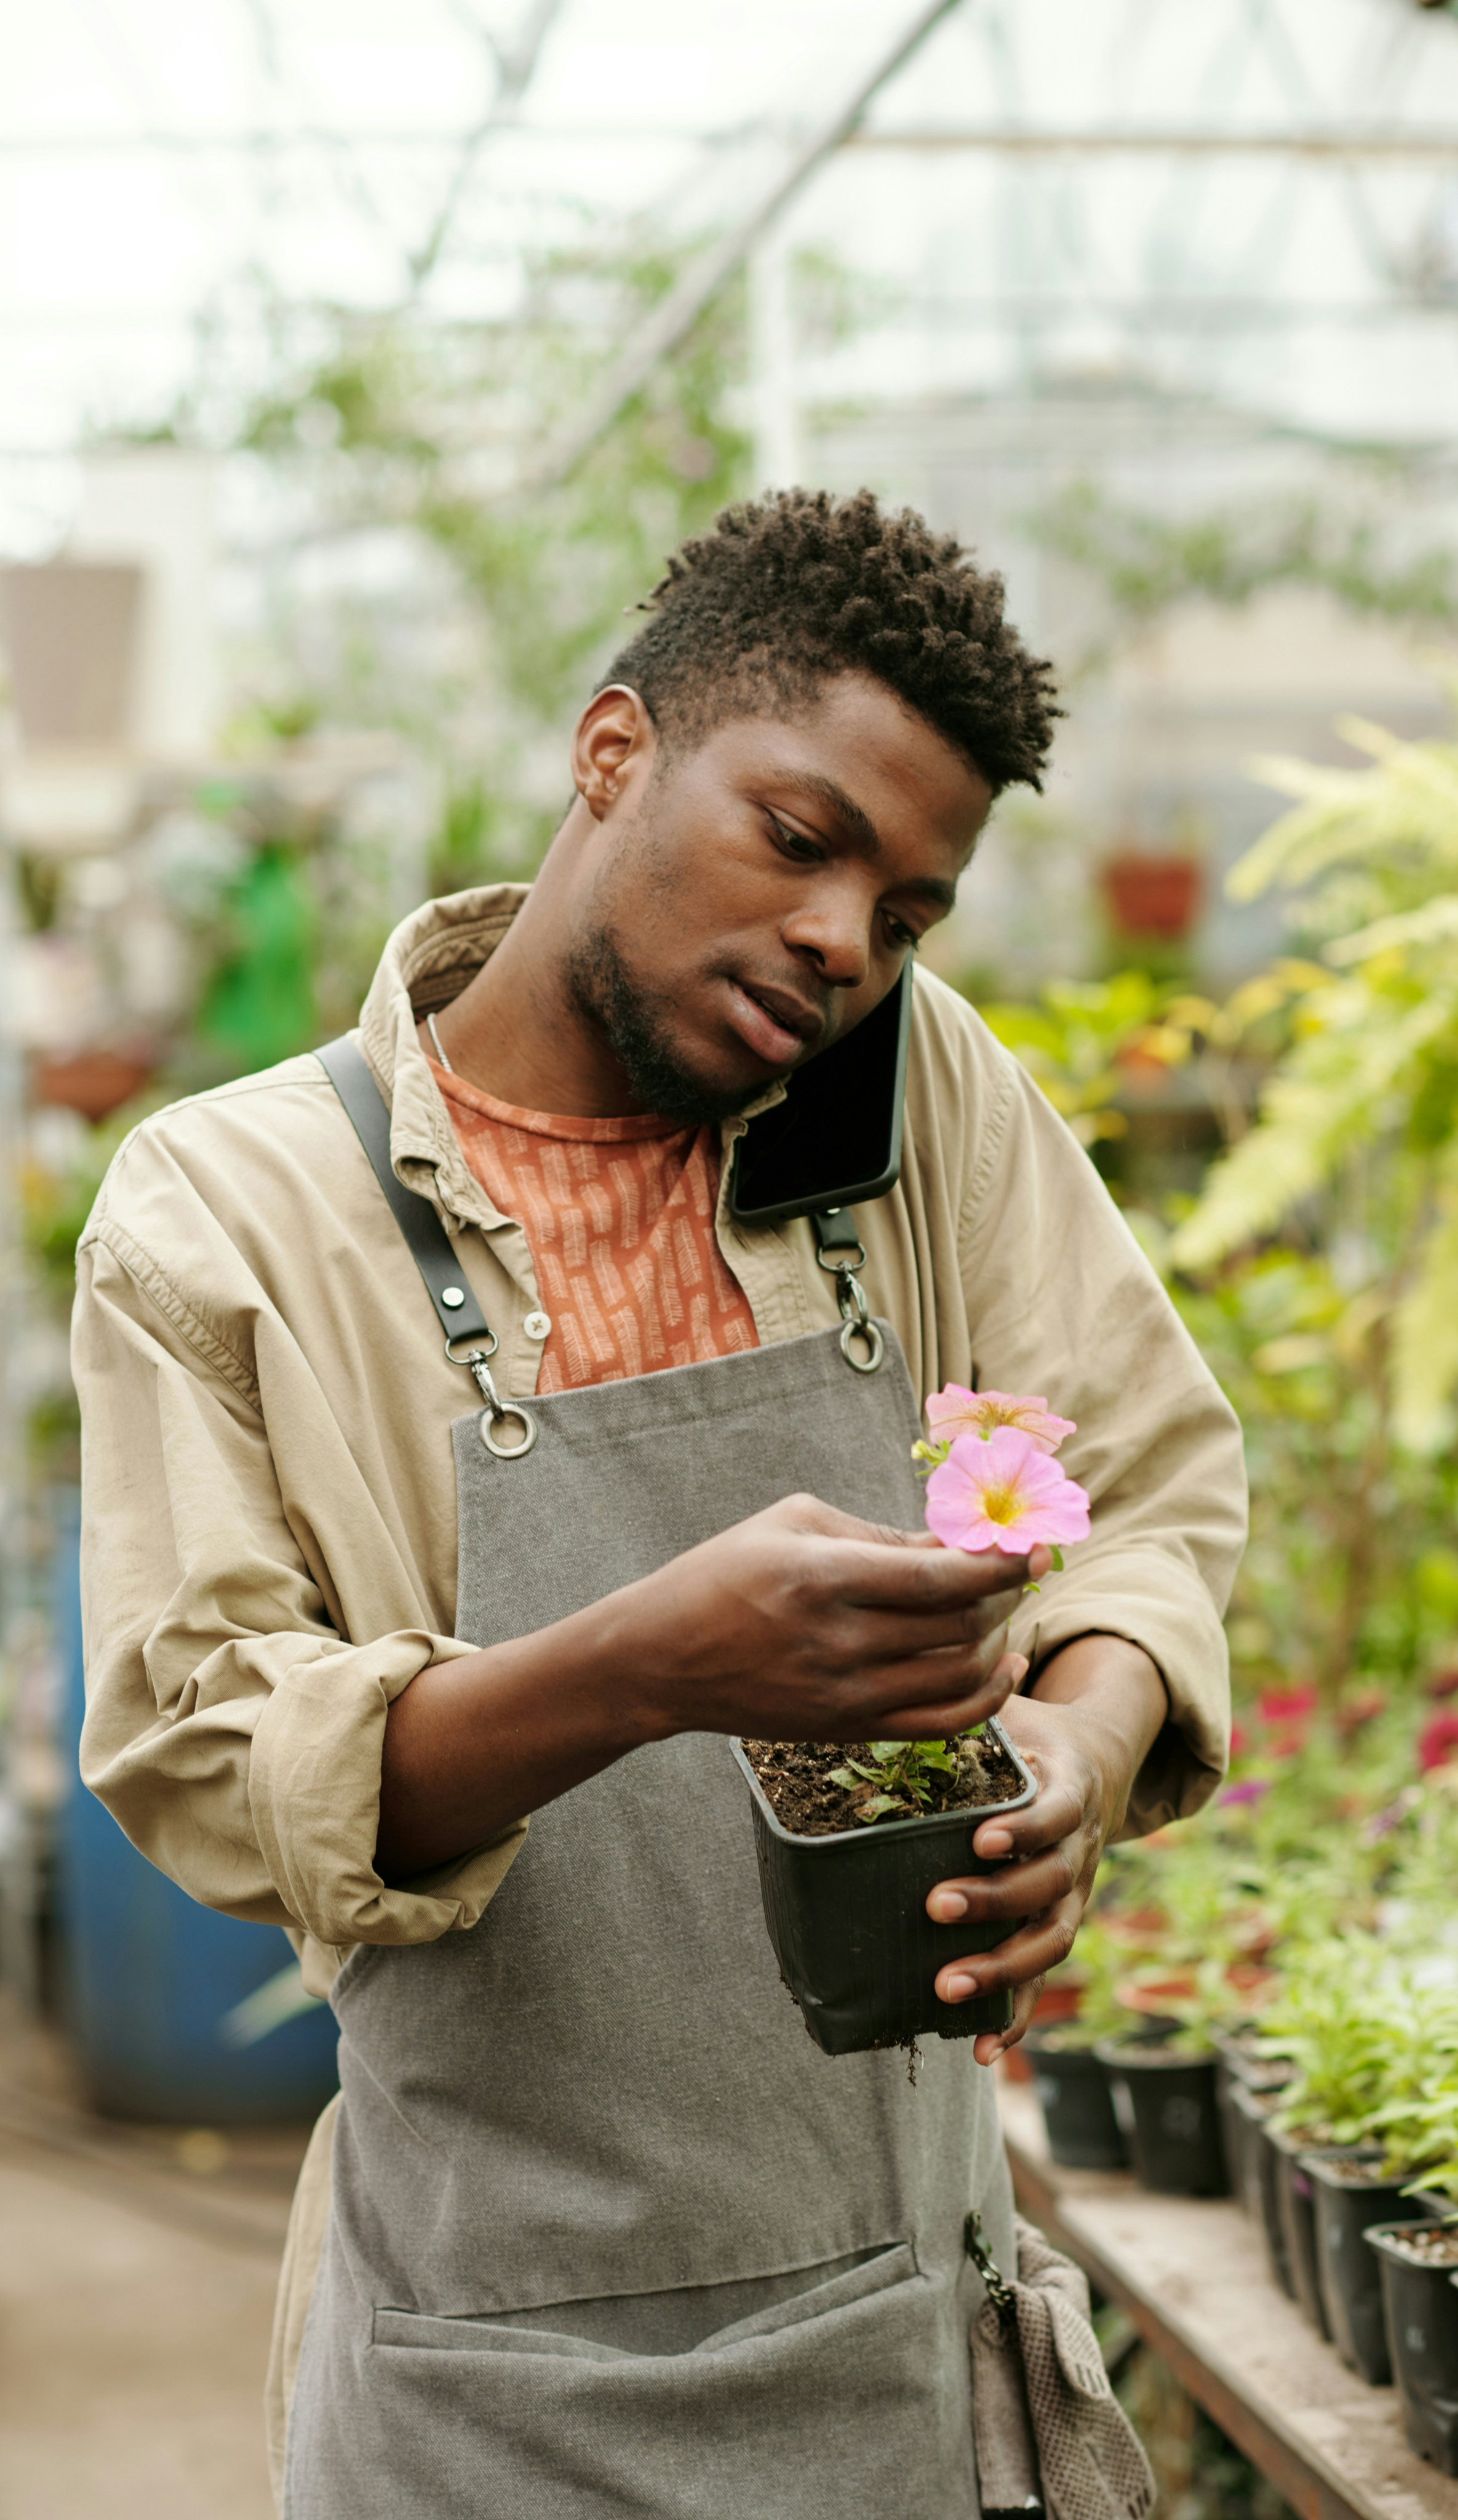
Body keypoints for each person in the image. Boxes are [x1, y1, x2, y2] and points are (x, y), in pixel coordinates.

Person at [74, 488, 1246, 2519]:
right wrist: (642, 1667)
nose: (837, 945)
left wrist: (1076, 1731)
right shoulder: (234, 1212)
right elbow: (210, 1760)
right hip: (490, 2389)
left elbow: (1142, 1484)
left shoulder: (915, 1107)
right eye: (801, 840)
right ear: (613, 752)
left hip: (904, 2346)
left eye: (901, 913)